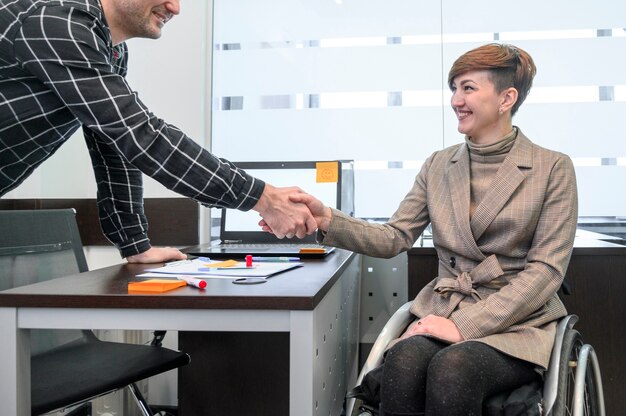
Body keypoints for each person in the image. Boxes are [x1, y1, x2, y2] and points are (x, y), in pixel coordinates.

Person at [287, 43, 578, 415]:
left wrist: (465, 326)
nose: (456, 99)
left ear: (506, 98)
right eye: (453, 88)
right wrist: (328, 218)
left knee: (453, 367)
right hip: (445, 308)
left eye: (468, 88)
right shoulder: (439, 165)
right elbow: (395, 236)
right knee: (404, 361)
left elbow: (546, 270)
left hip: (516, 321)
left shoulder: (552, 168)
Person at [0, 0, 315, 264]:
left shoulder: (111, 51)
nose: (175, 7)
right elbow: (142, 136)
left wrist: (135, 245)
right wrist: (263, 198)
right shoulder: (55, 22)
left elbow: (115, 146)